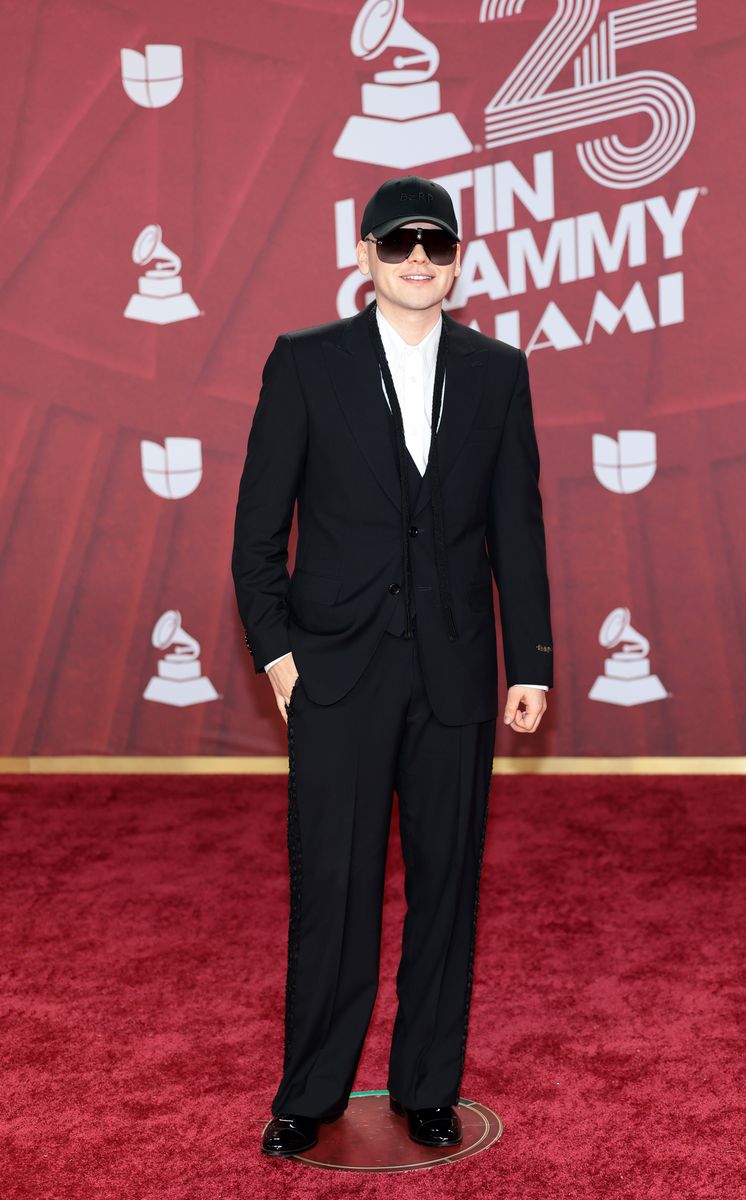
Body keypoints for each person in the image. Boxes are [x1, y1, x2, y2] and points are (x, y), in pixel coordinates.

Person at [231, 174, 553, 1158]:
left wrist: (529, 660)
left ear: (459, 262)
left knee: (448, 887)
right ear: (364, 257)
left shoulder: (498, 372)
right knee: (332, 886)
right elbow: (256, 534)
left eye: (437, 245)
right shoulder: (303, 364)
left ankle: (425, 1086)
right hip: (334, 673)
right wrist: (278, 656)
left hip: (455, 674)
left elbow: (517, 531)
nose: (419, 260)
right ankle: (310, 1090)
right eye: (399, 243)